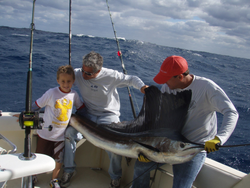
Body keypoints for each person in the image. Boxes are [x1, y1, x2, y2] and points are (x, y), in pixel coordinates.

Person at [131, 55, 239, 188]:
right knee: (140, 166)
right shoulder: (167, 87)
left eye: (167, 79)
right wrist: (149, 148)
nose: (164, 84)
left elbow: (231, 113)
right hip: (169, 143)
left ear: (180, 77)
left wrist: (219, 139)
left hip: (192, 148)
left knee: (181, 186)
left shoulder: (207, 88)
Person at [60, 51, 148, 188]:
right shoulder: (78, 73)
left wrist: (143, 87)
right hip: (87, 114)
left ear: (99, 71)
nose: (83, 75)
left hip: (108, 115)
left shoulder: (111, 75)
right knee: (69, 134)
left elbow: (131, 79)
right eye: (83, 70)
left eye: (88, 74)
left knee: (115, 144)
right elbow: (63, 81)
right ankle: (68, 170)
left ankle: (115, 177)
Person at [31, 65, 84, 188]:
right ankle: (33, 175)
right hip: (45, 134)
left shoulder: (74, 95)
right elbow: (37, 105)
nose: (66, 84)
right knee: (39, 157)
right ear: (58, 81)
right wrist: (25, 114)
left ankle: (54, 180)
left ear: (73, 81)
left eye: (69, 81)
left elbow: (81, 107)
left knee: (58, 160)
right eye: (63, 81)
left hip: (60, 136)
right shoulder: (51, 93)